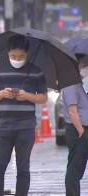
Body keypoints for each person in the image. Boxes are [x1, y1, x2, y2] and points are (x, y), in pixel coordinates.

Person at [0, 35, 48, 196]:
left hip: (26, 127)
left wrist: (27, 96)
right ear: (8, 53)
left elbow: (43, 97)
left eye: (20, 57)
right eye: (13, 56)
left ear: (27, 54)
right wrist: (2, 93)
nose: (17, 59)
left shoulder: (36, 72)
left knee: (23, 168)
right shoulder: (0, 71)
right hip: (4, 127)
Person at [61, 53, 88, 196]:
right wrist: (81, 132)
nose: (86, 67)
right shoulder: (70, 85)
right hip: (78, 130)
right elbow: (72, 112)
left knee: (80, 167)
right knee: (75, 169)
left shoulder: (82, 84)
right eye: (83, 65)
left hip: (84, 129)